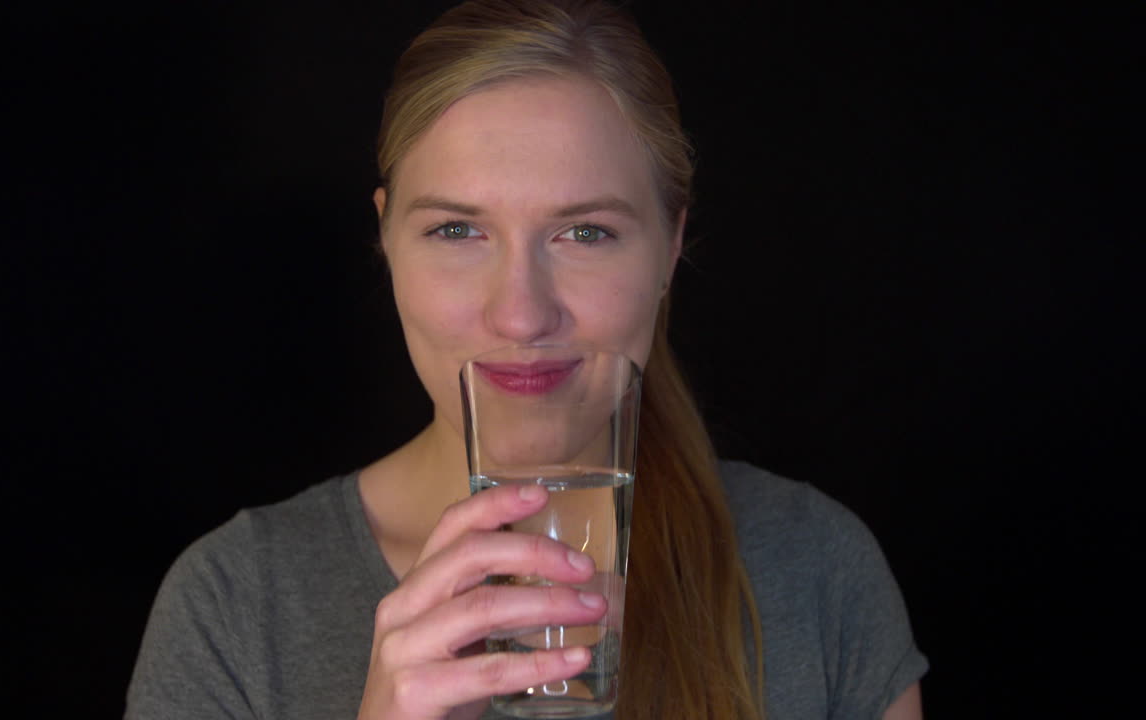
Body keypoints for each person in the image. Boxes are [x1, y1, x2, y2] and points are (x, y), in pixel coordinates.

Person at [124, 1, 929, 718]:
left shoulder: (818, 570)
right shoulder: (235, 605)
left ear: (671, 245)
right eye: (456, 230)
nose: (520, 312)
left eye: (585, 233)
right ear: (386, 240)